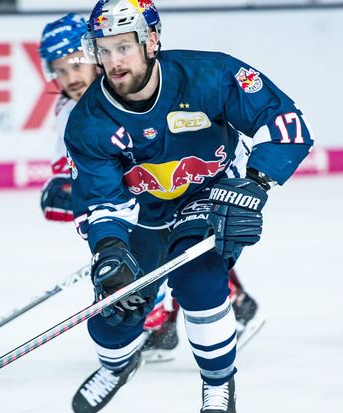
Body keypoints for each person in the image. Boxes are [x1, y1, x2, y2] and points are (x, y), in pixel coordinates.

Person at [63, 0, 314, 413]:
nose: (113, 62)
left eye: (123, 47)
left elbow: (284, 123)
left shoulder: (211, 75)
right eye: (103, 50)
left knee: (199, 281)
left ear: (152, 41)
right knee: (115, 312)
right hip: (143, 213)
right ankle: (117, 365)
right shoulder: (88, 122)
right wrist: (109, 248)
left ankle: (218, 381)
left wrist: (255, 183)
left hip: (209, 193)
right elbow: (102, 199)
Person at [37, 13, 265, 366]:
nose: (70, 78)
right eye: (61, 71)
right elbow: (71, 174)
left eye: (76, 65)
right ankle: (161, 321)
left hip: (188, 186)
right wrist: (66, 193)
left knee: (188, 249)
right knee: (129, 250)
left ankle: (235, 304)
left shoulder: (142, 88)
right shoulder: (74, 111)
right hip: (140, 198)